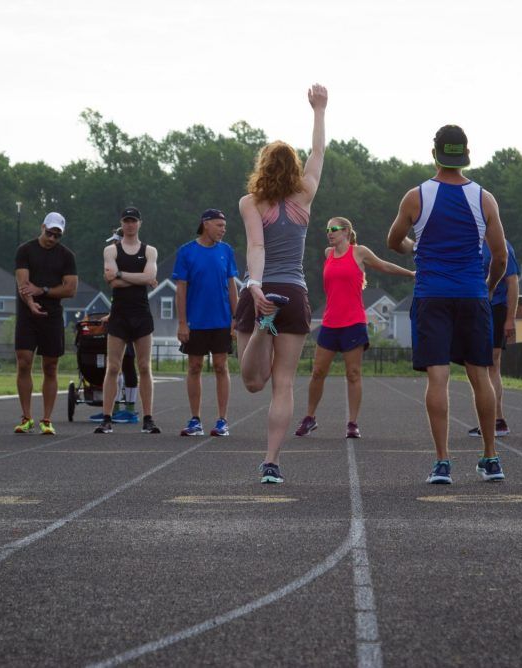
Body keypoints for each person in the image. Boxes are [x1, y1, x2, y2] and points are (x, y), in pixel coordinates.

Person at [386, 124, 508, 485]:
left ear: (434, 152)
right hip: (472, 294)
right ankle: (491, 458)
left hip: (431, 295)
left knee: (438, 378)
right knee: (480, 376)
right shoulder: (484, 198)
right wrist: (488, 287)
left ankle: (442, 463)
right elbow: (499, 256)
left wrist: (415, 247)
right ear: (465, 153)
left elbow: (394, 241)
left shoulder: (416, 197)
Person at [235, 83, 328, 484]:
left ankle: (261, 325)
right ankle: (271, 461)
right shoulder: (305, 195)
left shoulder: (250, 202)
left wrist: (254, 287)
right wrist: (319, 110)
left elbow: (257, 244)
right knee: (284, 384)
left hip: (264, 289)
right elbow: (318, 153)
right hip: (293, 292)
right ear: (292, 169)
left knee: (253, 381)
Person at [295, 216, 415, 439]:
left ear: (347, 231)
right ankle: (310, 418)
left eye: (334, 229)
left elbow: (384, 265)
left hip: (353, 322)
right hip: (330, 322)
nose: (329, 232)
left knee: (353, 373)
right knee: (318, 372)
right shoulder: (327, 254)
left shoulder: (359, 252)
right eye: (327, 229)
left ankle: (352, 422)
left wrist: (410, 274)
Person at [173, 208, 239, 437]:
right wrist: (182, 322)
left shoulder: (226, 251)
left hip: (221, 320)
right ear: (206, 224)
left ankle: (222, 420)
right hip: (196, 321)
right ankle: (195, 420)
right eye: (219, 225)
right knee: (195, 367)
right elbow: (180, 290)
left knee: (221, 366)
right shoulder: (186, 252)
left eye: (224, 226)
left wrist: (235, 318)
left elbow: (232, 287)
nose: (223, 230)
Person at [94, 207, 160, 435]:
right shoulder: (111, 250)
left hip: (141, 314)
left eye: (133, 221)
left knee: (144, 366)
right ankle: (106, 418)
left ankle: (148, 418)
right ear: (121, 224)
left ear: (140, 223)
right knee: (113, 367)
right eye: (126, 221)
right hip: (119, 314)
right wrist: (138, 279)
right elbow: (112, 281)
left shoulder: (149, 251)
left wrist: (122, 274)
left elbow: (149, 277)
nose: (130, 225)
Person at [14, 212, 78, 435]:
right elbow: (23, 283)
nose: (52, 238)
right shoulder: (25, 250)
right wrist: (31, 303)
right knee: (24, 361)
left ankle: (47, 419)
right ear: (42, 227)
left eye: (57, 235)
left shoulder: (66, 256)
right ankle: (26, 416)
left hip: (52, 314)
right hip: (27, 312)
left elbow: (70, 288)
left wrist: (44, 291)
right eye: (49, 233)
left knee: (50, 366)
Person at [466, 240, 520, 437]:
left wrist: (510, 319)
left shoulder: (503, 246)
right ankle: (490, 420)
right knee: (478, 364)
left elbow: (513, 282)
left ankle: (497, 420)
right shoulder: (471, 240)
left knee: (491, 363)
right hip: (476, 307)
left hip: (496, 308)